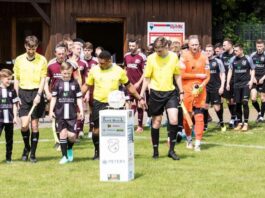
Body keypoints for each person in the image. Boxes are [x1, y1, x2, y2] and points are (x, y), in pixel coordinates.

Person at [82, 50, 146, 160]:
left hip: (115, 104)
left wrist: (139, 97)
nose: (100, 65)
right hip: (98, 102)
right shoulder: (94, 70)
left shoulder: (118, 70)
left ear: (109, 61)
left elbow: (129, 86)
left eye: (102, 63)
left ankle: (116, 152)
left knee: (116, 129)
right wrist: (76, 97)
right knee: (96, 130)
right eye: (99, 62)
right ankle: (97, 152)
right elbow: (86, 85)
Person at [140, 36, 184, 160]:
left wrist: (181, 91)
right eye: (156, 49)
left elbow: (177, 76)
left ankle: (172, 150)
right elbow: (147, 78)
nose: (158, 52)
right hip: (155, 93)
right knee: (157, 122)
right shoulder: (151, 58)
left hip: (170, 92)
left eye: (160, 49)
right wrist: (141, 95)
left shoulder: (174, 57)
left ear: (166, 47)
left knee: (174, 120)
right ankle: (155, 151)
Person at [13, 35, 47, 163]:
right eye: (29, 48)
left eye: (33, 48)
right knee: (24, 125)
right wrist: (16, 95)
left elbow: (43, 78)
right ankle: (27, 148)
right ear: (25, 46)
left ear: (36, 47)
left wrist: (39, 95)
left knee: (34, 125)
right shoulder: (19, 60)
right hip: (23, 93)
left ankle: (32, 154)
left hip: (36, 93)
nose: (31, 51)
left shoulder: (42, 60)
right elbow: (16, 78)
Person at [49, 61, 83, 164]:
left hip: (72, 114)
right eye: (65, 73)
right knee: (63, 134)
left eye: (68, 73)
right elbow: (54, 98)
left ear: (71, 72)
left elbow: (79, 98)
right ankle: (64, 157)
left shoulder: (75, 83)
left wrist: (81, 110)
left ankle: (69, 149)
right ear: (61, 72)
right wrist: (51, 111)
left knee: (72, 136)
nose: (67, 75)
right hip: (60, 113)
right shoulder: (57, 83)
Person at [181, 35, 210, 152]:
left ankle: (198, 143)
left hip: (200, 91)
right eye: (192, 45)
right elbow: (182, 75)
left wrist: (201, 86)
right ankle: (188, 139)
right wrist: (197, 76)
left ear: (199, 45)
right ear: (188, 45)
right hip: (187, 91)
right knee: (187, 118)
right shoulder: (183, 57)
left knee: (199, 116)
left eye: (196, 44)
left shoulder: (204, 57)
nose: (194, 47)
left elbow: (208, 76)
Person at [226, 44, 255, 131]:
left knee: (245, 103)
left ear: (241, 50)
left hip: (245, 84)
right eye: (234, 50)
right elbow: (230, 71)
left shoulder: (248, 58)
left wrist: (251, 81)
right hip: (236, 85)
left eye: (236, 50)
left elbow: (253, 69)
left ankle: (245, 123)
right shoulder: (233, 59)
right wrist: (227, 83)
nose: (235, 52)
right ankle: (239, 123)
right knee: (237, 104)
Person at [44, 43, 67, 149]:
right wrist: (47, 93)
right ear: (55, 54)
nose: (61, 55)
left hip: (68, 96)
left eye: (63, 53)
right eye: (59, 54)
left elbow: (76, 80)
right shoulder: (51, 66)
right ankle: (57, 141)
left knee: (67, 118)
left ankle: (66, 139)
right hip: (54, 96)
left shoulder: (70, 65)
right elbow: (46, 81)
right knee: (55, 119)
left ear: (66, 53)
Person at [124, 39, 146, 133]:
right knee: (128, 105)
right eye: (130, 46)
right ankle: (128, 124)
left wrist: (139, 83)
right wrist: (124, 80)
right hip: (129, 85)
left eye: (133, 46)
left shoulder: (142, 57)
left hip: (138, 85)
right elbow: (125, 69)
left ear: (137, 46)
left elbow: (145, 73)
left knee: (140, 105)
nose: (131, 48)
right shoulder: (126, 56)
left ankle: (140, 126)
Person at [204, 44, 226, 131]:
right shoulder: (203, 61)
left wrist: (222, 86)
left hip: (216, 87)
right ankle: (205, 125)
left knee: (217, 108)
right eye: (207, 51)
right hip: (205, 88)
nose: (208, 52)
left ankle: (221, 123)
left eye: (210, 51)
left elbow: (222, 73)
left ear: (213, 52)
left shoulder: (218, 61)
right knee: (205, 107)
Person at [69, 41, 88, 138]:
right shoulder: (67, 61)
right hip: (69, 91)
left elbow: (87, 78)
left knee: (81, 109)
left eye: (80, 49)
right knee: (72, 110)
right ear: (72, 49)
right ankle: (73, 130)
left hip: (81, 90)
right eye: (77, 48)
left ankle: (80, 129)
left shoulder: (83, 62)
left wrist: (87, 92)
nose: (79, 50)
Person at [0, 69, 19, 163]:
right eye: (8, 79)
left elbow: (15, 105)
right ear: (2, 78)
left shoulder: (12, 90)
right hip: (0, 119)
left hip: (10, 119)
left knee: (9, 140)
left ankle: (8, 158)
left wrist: (15, 117)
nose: (9, 81)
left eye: (10, 79)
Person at [83, 42, 98, 138]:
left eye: (88, 50)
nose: (87, 52)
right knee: (82, 110)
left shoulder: (96, 61)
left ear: (92, 51)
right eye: (85, 50)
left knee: (92, 111)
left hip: (94, 89)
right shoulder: (80, 61)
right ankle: (79, 130)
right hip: (84, 88)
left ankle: (91, 129)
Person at [221, 38, 236, 128]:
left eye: (224, 45)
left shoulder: (236, 54)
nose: (223, 47)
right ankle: (233, 117)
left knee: (234, 100)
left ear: (230, 45)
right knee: (228, 101)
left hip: (236, 80)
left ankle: (236, 118)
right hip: (227, 80)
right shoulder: (223, 55)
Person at [250, 39, 265, 122]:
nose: (259, 48)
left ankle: (262, 116)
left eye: (260, 46)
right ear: (256, 46)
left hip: (263, 79)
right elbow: (250, 68)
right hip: (255, 79)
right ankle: (259, 112)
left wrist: (263, 78)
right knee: (253, 98)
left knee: (263, 98)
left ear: (263, 46)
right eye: (258, 46)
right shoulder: (252, 55)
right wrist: (253, 78)